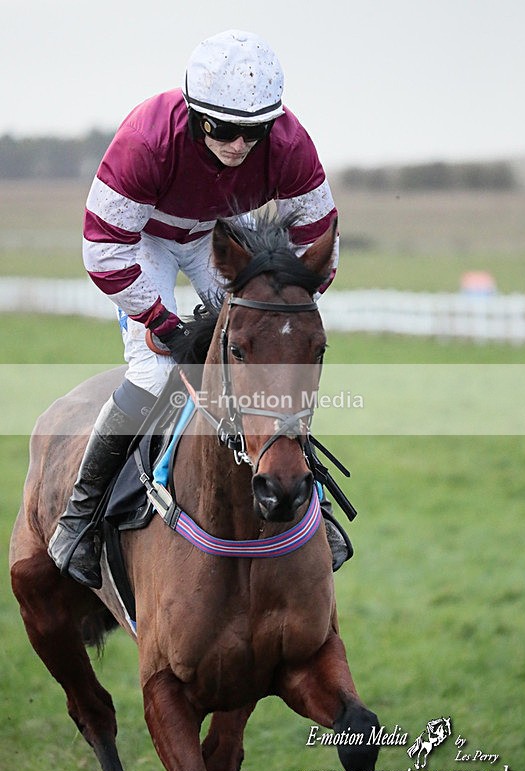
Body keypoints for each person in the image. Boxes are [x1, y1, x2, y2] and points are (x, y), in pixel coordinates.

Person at [48, 29, 348, 589]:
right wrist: (161, 323)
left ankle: (314, 504)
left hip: (219, 232)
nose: (238, 145)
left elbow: (320, 243)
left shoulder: (290, 143)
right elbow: (102, 250)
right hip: (141, 238)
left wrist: (284, 309)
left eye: (253, 132)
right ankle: (80, 518)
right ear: (193, 114)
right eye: (223, 129)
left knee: (272, 358)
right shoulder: (147, 140)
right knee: (155, 371)